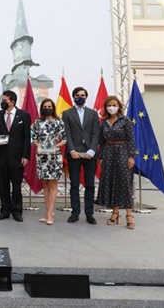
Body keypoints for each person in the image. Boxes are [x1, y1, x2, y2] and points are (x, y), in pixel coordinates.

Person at [62, 86, 101, 225]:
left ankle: (89, 214)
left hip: (90, 154)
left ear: (86, 97)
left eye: (83, 95)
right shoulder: (67, 113)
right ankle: (75, 213)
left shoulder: (93, 114)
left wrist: (92, 150)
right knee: (74, 185)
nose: (80, 97)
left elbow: (96, 133)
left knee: (90, 185)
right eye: (78, 95)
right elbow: (66, 133)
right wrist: (71, 150)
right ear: (73, 97)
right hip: (74, 153)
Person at [97, 95, 137, 229]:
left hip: (122, 152)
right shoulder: (104, 122)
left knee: (124, 181)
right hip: (108, 153)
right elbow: (101, 142)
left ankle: (129, 214)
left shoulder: (125, 120)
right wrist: (101, 157)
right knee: (112, 182)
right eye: (109, 105)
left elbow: (131, 139)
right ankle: (115, 213)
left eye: (114, 105)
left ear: (119, 106)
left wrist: (131, 156)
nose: (111, 107)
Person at [0, 90, 31, 222]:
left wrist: (26, 156)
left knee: (16, 186)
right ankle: (5, 210)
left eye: (5, 101)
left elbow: (27, 137)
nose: (2, 103)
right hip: (1, 156)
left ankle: (17, 211)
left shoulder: (24, 115)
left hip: (17, 157)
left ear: (12, 102)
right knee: (3, 186)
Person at [31, 98, 66, 226]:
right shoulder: (37, 122)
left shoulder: (59, 122)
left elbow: (64, 139)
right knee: (45, 184)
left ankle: (51, 213)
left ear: (53, 108)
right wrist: (38, 146)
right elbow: (34, 138)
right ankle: (47, 213)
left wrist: (56, 146)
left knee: (52, 184)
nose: (47, 108)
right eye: (45, 106)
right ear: (42, 108)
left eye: (49, 106)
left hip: (54, 156)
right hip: (42, 157)